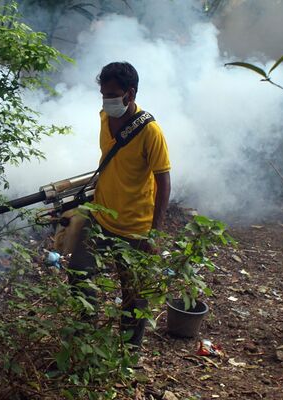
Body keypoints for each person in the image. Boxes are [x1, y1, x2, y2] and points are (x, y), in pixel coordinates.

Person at [67, 61, 171, 346]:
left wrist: (154, 233)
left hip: (135, 228)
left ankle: (128, 354)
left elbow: (164, 182)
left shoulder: (151, 132)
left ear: (130, 93)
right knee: (78, 273)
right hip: (100, 216)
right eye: (103, 95)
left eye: (112, 95)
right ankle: (85, 340)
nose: (107, 101)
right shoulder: (105, 116)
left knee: (134, 296)